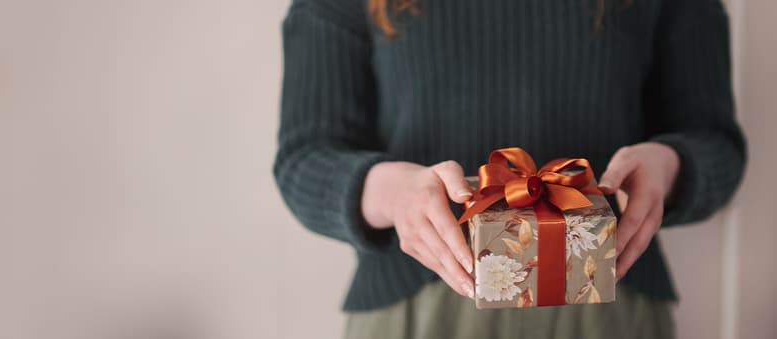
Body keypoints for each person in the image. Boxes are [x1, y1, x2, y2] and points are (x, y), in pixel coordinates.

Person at [273, 0, 746, 338]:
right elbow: (306, 159)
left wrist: (669, 167)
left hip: (608, 298)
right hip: (413, 308)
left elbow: (716, 145)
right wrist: (395, 195)